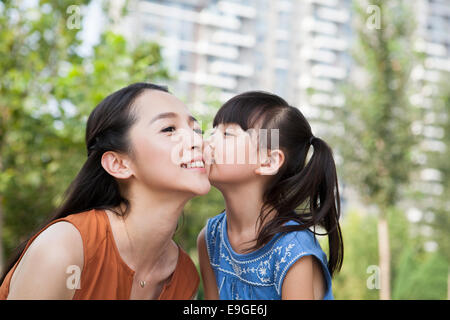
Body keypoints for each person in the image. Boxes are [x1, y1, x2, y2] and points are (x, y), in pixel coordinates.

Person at [0, 82, 210, 299]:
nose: (198, 141)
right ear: (119, 164)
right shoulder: (64, 248)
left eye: (197, 130)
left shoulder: (185, 276)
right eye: (169, 129)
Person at [198, 91, 343, 300]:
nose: (207, 143)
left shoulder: (292, 249)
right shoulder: (210, 238)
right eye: (213, 132)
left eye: (227, 135)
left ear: (269, 162)